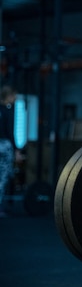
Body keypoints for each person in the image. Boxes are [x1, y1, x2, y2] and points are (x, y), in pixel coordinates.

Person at [0, 85, 22, 217]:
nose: (16, 98)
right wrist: (16, 151)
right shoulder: (9, 111)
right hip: (5, 146)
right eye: (14, 96)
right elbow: (10, 132)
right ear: (8, 96)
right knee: (2, 177)